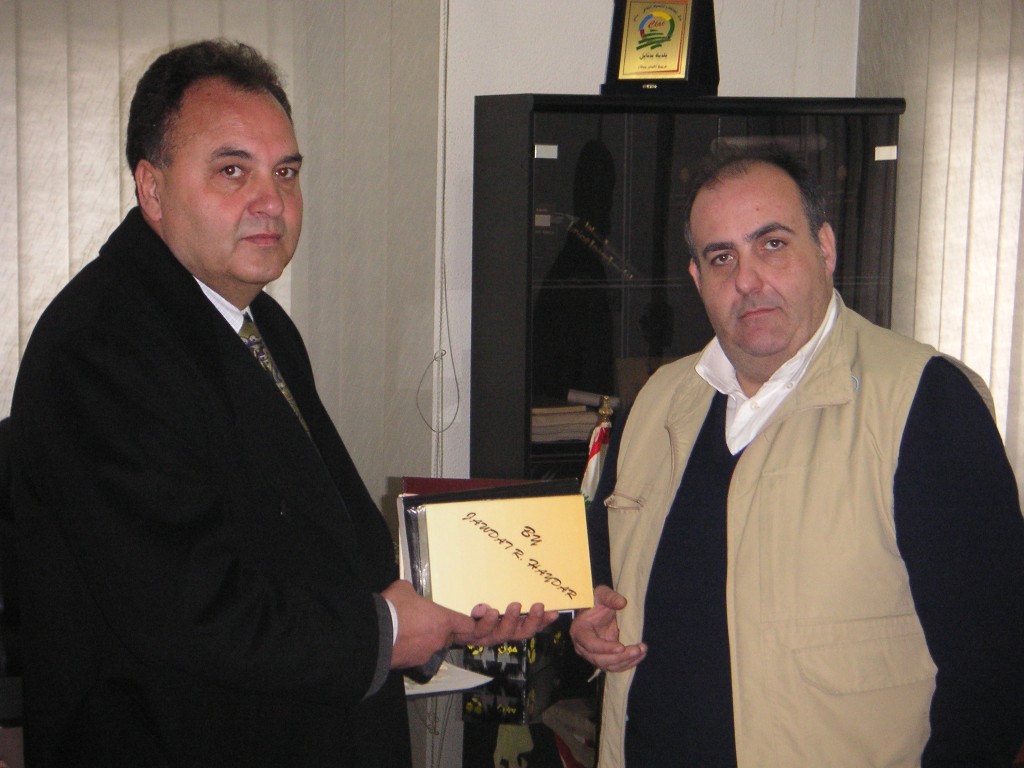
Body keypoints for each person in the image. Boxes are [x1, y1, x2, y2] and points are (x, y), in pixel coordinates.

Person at [9, 39, 555, 767]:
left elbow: (318, 537)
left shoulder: (256, 321)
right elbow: (187, 605)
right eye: (232, 170)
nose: (272, 202)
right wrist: (388, 632)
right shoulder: (102, 345)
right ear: (152, 188)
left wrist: (455, 606)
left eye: (286, 172)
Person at [570, 147, 1024, 767]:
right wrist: (590, 608)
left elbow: (995, 672)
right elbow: (606, 550)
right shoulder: (658, 401)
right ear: (698, 279)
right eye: (722, 257)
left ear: (826, 249)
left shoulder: (926, 403)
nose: (747, 280)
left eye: (773, 244)